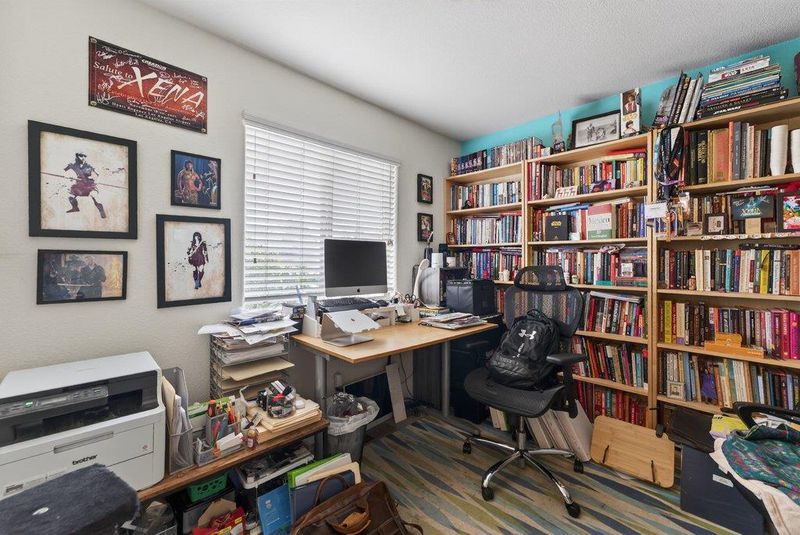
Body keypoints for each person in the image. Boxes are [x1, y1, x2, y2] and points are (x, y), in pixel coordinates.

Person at [64, 152, 106, 218]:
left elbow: (98, 175)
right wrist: (68, 176)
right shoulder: (73, 165)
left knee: (94, 195)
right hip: (79, 185)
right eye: (81, 156)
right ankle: (75, 208)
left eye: (84, 156)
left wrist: (96, 182)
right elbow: (63, 171)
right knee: (70, 195)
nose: (83, 157)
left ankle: (102, 212)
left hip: (89, 184)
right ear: (77, 157)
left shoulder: (89, 166)